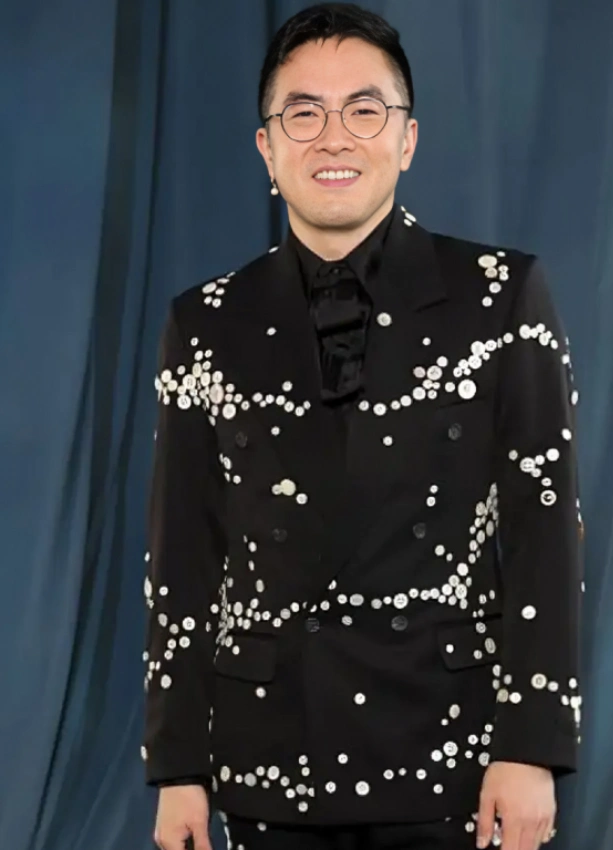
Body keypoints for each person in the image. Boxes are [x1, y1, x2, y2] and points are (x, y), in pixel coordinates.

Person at [142, 4, 584, 849]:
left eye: (364, 110)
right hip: (267, 763)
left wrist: (531, 748)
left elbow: (545, 533)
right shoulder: (204, 322)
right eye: (303, 113)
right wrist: (178, 767)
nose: (333, 137)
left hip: (454, 760)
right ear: (267, 147)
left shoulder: (501, 296)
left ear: (407, 139)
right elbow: (182, 558)